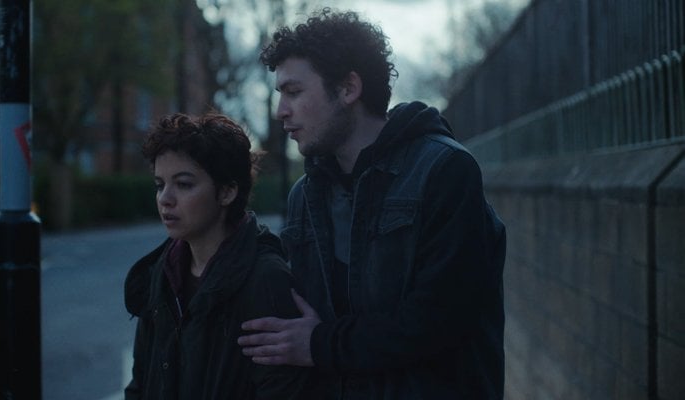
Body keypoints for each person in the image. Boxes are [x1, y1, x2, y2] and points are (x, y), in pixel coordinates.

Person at [237, 8, 507, 399]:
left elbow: (438, 322)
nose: (281, 111)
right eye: (280, 94)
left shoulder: (444, 171)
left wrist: (320, 345)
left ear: (348, 88)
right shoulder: (303, 198)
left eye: (294, 92)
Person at [123, 112, 309, 399]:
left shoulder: (265, 279)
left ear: (227, 192)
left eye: (183, 184)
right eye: (160, 185)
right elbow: (140, 384)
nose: (165, 199)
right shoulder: (163, 271)